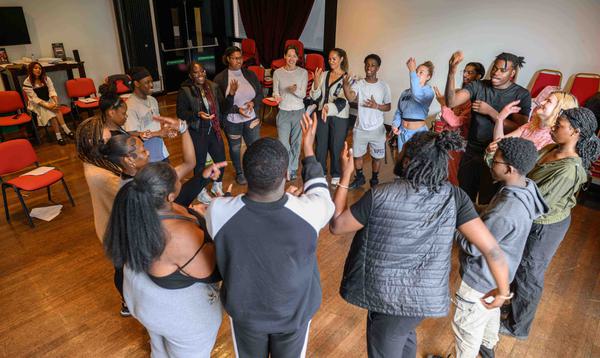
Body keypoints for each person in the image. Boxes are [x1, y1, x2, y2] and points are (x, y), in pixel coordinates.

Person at [329, 130, 511, 358]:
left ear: (407, 161)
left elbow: (337, 226)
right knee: (405, 336)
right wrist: (503, 292)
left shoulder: (381, 194)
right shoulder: (454, 197)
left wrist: (345, 176)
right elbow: (493, 250)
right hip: (423, 297)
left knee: (389, 344)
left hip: (388, 298)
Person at [206, 113, 335, 357]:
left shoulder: (218, 211)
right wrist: (308, 148)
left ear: (244, 172)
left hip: (246, 315)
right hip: (294, 314)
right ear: (286, 174)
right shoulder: (310, 211)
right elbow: (320, 190)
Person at [104, 162, 223, 357]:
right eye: (178, 179)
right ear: (170, 196)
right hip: (178, 316)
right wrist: (210, 223)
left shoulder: (135, 204)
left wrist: (195, 208)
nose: (180, 178)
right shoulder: (178, 236)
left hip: (141, 298)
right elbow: (212, 271)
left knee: (159, 347)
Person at [501, 107, 600, 339]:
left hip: (545, 225)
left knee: (529, 274)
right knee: (519, 266)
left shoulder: (568, 169)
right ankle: (511, 307)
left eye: (560, 125)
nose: (553, 127)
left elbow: (537, 202)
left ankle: (517, 327)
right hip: (533, 218)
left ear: (575, 132)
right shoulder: (552, 148)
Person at [453, 137, 548, 358]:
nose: (490, 163)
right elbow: (490, 214)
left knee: (466, 329)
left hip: (479, 278)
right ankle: (487, 350)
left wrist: (455, 225)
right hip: (500, 276)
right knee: (489, 316)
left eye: (495, 161)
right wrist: (471, 208)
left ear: (509, 169)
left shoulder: (506, 210)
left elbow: (474, 246)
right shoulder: (525, 187)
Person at [75, 84, 134, 317]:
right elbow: (133, 192)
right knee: (124, 268)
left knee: (123, 266)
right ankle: (127, 302)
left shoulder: (95, 161)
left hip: (109, 224)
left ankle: (127, 301)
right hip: (116, 228)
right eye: (105, 139)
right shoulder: (104, 176)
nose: (108, 139)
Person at [445, 51, 531, 204]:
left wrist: (492, 112)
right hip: (471, 150)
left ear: (512, 73)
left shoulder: (521, 94)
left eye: (502, 70)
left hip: (497, 156)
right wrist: (451, 72)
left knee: (488, 201)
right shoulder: (478, 86)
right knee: (464, 198)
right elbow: (451, 102)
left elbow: (521, 128)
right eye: (494, 68)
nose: (496, 73)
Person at [99, 116, 226, 208]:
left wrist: (184, 129)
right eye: (143, 151)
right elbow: (187, 168)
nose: (148, 152)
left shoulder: (138, 176)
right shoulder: (140, 189)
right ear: (129, 160)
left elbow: (189, 164)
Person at [177, 61, 227, 203]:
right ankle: (200, 190)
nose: (200, 74)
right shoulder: (185, 91)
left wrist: (231, 96)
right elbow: (181, 113)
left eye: (202, 71)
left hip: (214, 129)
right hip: (198, 131)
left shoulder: (213, 86)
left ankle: (217, 185)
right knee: (199, 163)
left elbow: (222, 107)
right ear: (190, 75)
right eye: (196, 72)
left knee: (221, 159)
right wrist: (197, 115)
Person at [214, 46, 263, 185]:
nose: (238, 61)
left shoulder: (250, 74)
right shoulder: (220, 79)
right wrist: (232, 97)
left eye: (240, 58)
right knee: (235, 148)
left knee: (254, 147)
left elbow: (260, 94)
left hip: (251, 119)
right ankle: (240, 172)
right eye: (235, 58)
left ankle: (253, 171)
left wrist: (253, 103)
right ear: (228, 59)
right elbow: (221, 106)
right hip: (232, 122)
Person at [341, 53, 392, 189]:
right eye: (367, 65)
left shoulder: (384, 86)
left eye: (373, 65)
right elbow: (351, 98)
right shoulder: (359, 84)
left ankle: (374, 179)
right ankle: (360, 177)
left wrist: (377, 106)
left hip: (377, 129)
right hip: (360, 128)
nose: (369, 67)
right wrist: (346, 85)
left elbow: (388, 106)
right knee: (357, 155)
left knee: (377, 157)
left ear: (378, 68)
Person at [433, 61, 485, 185]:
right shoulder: (456, 93)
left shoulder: (475, 99)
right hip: (448, 137)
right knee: (444, 169)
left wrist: (444, 104)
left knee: (454, 173)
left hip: (459, 141)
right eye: (465, 71)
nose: (465, 75)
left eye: (470, 72)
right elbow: (446, 118)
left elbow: (455, 122)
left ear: (478, 76)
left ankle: (453, 198)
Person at [310, 48, 351, 186]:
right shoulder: (324, 74)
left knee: (336, 146)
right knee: (320, 145)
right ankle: (320, 172)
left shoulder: (347, 78)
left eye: (334, 58)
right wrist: (316, 83)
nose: (331, 61)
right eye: (329, 59)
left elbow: (343, 100)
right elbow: (315, 97)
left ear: (341, 59)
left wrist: (329, 107)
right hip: (322, 114)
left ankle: (336, 173)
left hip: (339, 116)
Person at [488, 92, 578, 151]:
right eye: (545, 99)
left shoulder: (554, 137)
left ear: (559, 110)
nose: (542, 102)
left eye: (548, 101)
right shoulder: (531, 125)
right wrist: (500, 119)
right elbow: (497, 145)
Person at [273, 44, 308, 181]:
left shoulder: (303, 73)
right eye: (289, 55)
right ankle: (285, 167)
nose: (291, 58)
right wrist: (276, 96)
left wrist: (295, 91)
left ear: (298, 58)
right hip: (283, 111)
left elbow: (303, 95)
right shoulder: (277, 73)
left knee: (296, 142)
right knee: (283, 143)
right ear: (284, 56)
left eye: (294, 56)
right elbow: (275, 91)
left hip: (299, 111)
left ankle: (292, 168)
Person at [124, 67, 171, 163]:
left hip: (161, 150)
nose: (151, 85)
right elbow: (130, 133)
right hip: (146, 154)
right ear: (136, 84)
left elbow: (159, 121)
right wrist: (158, 133)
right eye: (147, 82)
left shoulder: (153, 100)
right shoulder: (130, 105)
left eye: (151, 81)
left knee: (169, 175)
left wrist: (166, 129)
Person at [22, 61, 74, 145]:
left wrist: (55, 102)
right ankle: (59, 136)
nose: (38, 70)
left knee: (56, 108)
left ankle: (66, 130)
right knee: (52, 115)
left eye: (40, 68)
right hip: (37, 104)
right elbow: (35, 99)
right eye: (35, 68)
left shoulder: (46, 78)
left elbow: (52, 90)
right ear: (31, 70)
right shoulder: (27, 83)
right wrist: (48, 106)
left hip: (48, 99)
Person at [391, 58, 435, 152]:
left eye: (421, 72)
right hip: (402, 133)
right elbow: (399, 111)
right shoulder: (405, 93)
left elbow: (417, 94)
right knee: (402, 162)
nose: (417, 74)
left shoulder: (428, 92)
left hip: (418, 134)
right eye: (416, 71)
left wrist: (412, 71)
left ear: (428, 77)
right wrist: (395, 124)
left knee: (416, 163)